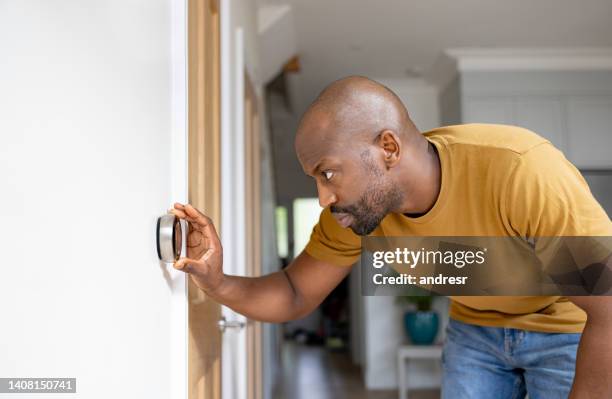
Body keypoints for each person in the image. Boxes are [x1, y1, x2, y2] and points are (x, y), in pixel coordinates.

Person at [169, 76, 612, 398]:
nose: (324, 198)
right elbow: (293, 293)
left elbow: (609, 310)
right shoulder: (356, 211)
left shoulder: (520, 170)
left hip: (568, 328)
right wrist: (217, 281)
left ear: (389, 148)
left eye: (327, 173)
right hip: (475, 331)